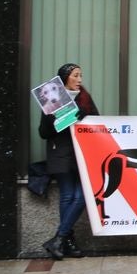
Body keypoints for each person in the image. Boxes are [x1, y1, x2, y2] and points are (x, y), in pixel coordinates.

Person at [39, 63, 100, 260]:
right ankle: (67, 241)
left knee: (81, 197)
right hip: (61, 153)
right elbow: (44, 132)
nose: (80, 79)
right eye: (76, 75)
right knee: (67, 196)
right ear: (65, 78)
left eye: (81, 75)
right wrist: (54, 119)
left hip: (82, 153)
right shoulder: (52, 97)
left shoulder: (85, 98)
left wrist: (84, 117)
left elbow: (97, 123)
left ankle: (59, 239)